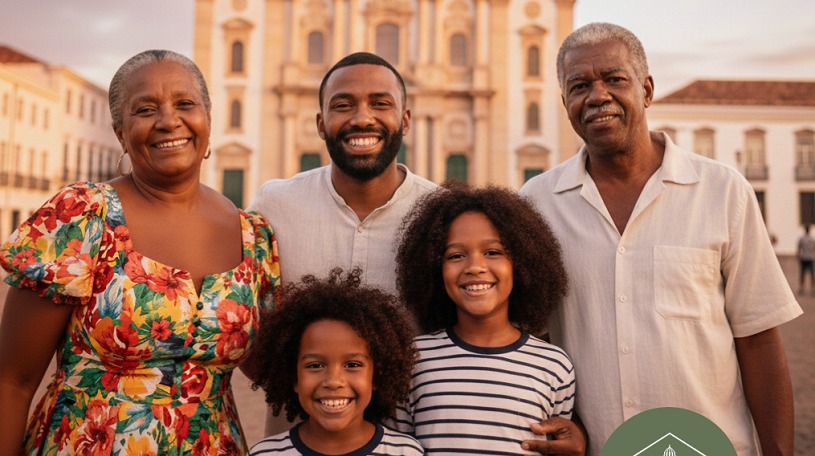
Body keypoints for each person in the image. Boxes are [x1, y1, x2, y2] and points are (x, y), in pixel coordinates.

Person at [519, 22, 802, 456]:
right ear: (565, 103)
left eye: (614, 79)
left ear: (646, 89)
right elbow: (530, 338)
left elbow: (759, 339)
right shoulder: (536, 204)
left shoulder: (723, 190)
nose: (597, 96)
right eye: (579, 86)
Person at [0, 50, 280, 454]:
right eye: (145, 109)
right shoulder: (82, 216)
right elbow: (13, 382)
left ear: (208, 120)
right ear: (120, 132)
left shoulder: (255, 236)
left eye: (185, 104)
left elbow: (271, 367)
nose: (169, 120)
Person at [245, 51, 438, 436]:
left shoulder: (440, 214)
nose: (362, 118)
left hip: (414, 442)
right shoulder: (274, 206)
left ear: (405, 120)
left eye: (380, 104)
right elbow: (239, 318)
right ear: (321, 123)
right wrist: (304, 394)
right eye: (343, 105)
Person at [392, 181, 578, 455]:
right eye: (456, 255)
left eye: (493, 252)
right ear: (433, 269)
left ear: (523, 264)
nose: (475, 267)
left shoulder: (555, 366)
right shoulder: (413, 359)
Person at [248, 268, 424, 455]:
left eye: (352, 365)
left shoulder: (406, 452)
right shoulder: (266, 453)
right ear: (293, 378)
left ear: (376, 376)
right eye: (315, 365)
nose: (333, 381)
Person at [797, 224, 815, 294]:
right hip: (810, 258)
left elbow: (799, 248)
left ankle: (802, 288)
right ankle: (812, 289)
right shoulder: (812, 239)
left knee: (802, 274)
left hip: (804, 258)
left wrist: (798, 256)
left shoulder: (802, 239)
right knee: (812, 274)